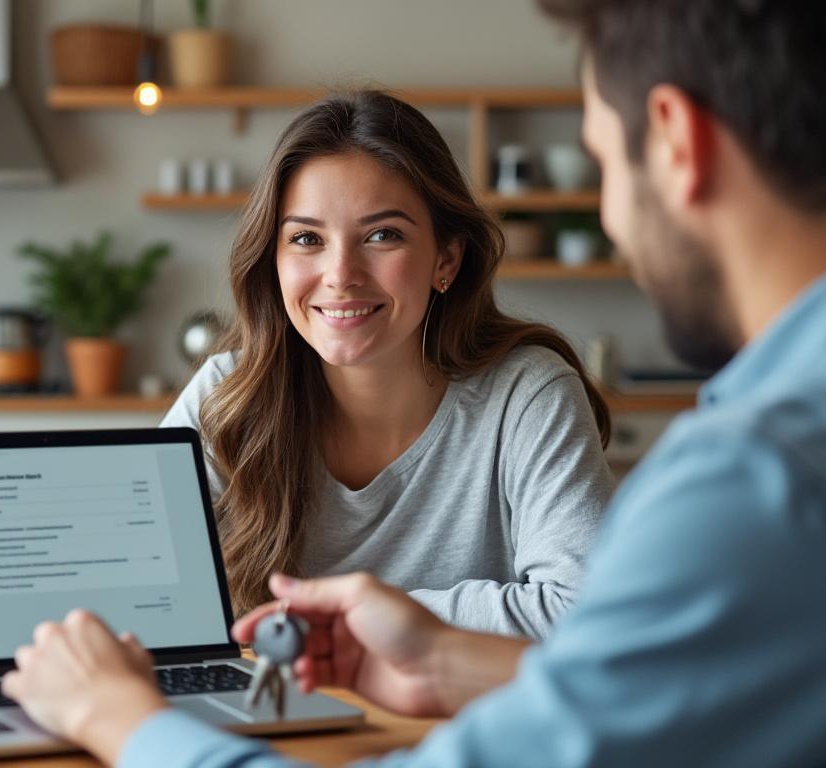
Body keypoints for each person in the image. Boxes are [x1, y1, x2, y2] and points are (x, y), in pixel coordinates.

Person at [1, 0, 826, 764]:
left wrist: (120, 721)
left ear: (673, 141)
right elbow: (667, 695)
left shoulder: (768, 482)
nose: (611, 217)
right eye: (307, 238)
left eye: (600, 158)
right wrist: (445, 658)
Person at [160, 90, 615, 637]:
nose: (340, 274)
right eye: (306, 238)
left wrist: (358, 619)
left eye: (382, 235)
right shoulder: (228, 395)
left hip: (459, 722)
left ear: (445, 259)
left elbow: (589, 614)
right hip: (274, 719)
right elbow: (141, 587)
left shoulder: (527, 396)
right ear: (274, 259)